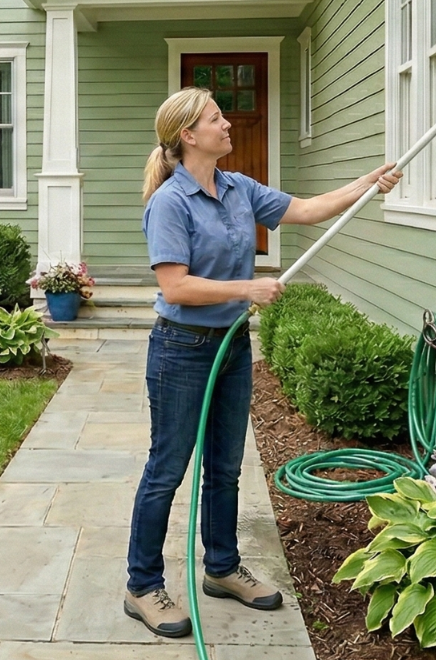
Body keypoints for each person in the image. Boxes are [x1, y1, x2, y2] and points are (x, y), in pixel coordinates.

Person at [123, 86, 403, 638]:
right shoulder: (170, 202)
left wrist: (369, 183)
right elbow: (174, 287)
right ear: (188, 135)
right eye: (216, 117)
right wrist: (246, 288)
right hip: (181, 350)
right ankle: (142, 584)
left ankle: (222, 568)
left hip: (232, 346)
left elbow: (305, 209)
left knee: (226, 467)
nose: (228, 124)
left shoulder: (237, 187)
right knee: (167, 470)